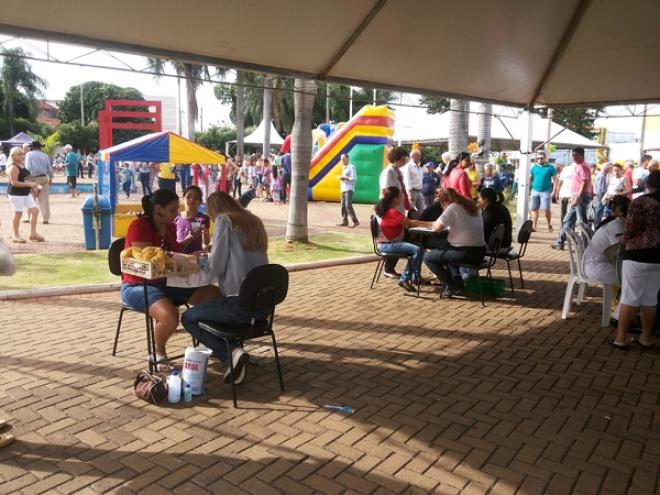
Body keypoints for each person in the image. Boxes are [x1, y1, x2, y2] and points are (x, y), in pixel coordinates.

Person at [120, 190, 219, 368]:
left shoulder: (171, 226)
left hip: (169, 281)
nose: (176, 214)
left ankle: (215, 343)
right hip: (137, 284)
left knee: (215, 295)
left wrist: (191, 246)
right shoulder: (139, 226)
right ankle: (159, 352)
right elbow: (147, 259)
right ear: (158, 209)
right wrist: (177, 258)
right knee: (170, 317)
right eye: (173, 210)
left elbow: (173, 252)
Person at [181, 192, 269, 385]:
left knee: (188, 317)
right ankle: (235, 352)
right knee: (214, 305)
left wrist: (204, 260)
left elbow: (217, 266)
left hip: (240, 305)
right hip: (264, 308)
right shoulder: (253, 221)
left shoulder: (224, 220)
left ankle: (232, 353)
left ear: (213, 210)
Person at [609, 170, 660, 350]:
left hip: (637, 255)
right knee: (650, 299)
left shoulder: (641, 202)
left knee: (629, 297)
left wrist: (624, 238)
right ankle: (646, 338)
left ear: (648, 184)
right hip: (657, 258)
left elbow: (631, 228)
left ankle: (621, 338)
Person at [418, 188, 486, 298]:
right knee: (445, 249)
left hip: (465, 252)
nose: (443, 209)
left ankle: (451, 284)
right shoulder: (470, 204)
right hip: (480, 250)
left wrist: (416, 223)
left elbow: (437, 227)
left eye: (442, 206)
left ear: (445, 202)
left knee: (428, 257)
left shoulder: (453, 207)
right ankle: (457, 282)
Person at [373, 187, 422, 293]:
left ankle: (415, 277)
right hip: (388, 244)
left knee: (417, 246)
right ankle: (405, 279)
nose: (402, 198)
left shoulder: (383, 210)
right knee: (418, 250)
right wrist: (431, 224)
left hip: (385, 243)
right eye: (400, 196)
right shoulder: (392, 212)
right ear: (395, 198)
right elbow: (411, 223)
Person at [378, 146, 412, 278]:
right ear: (397, 158)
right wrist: (388, 213)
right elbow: (385, 193)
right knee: (394, 239)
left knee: (400, 236)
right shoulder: (389, 172)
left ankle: (390, 267)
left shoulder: (397, 172)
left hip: (399, 210)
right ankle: (388, 268)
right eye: (404, 157)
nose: (405, 159)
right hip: (391, 213)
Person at [583, 195, 629, 286]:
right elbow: (618, 254)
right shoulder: (618, 226)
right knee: (633, 278)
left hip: (594, 264)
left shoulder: (616, 222)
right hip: (597, 267)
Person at [552, 148, 592, 250]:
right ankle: (560, 241)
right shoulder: (578, 166)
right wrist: (574, 196)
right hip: (576, 196)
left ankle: (586, 245)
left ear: (582, 155)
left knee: (581, 221)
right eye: (572, 155)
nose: (573, 157)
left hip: (581, 197)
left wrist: (577, 197)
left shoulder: (583, 167)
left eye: (576, 155)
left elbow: (584, 182)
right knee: (567, 220)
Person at [6, 146, 44, 243]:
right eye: (19, 154)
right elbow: (14, 183)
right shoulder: (13, 167)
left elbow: (25, 178)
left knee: (35, 211)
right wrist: (30, 184)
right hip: (16, 194)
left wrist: (32, 187)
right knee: (18, 214)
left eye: (22, 154)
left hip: (25, 193)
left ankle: (33, 234)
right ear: (13, 156)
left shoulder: (21, 164)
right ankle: (15, 235)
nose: (22, 155)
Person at [175, 185, 211, 254]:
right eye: (188, 197)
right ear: (183, 199)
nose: (191, 200)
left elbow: (206, 243)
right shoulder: (176, 217)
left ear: (200, 202)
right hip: (178, 255)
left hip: (194, 257)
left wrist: (205, 233)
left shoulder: (202, 219)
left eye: (196, 198)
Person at [25, 141, 54, 224]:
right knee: (44, 199)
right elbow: (49, 168)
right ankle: (45, 218)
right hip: (44, 178)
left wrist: (26, 179)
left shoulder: (29, 154)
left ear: (32, 147)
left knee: (30, 198)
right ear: (40, 147)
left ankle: (28, 217)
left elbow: (28, 167)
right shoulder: (45, 155)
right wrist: (51, 178)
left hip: (33, 179)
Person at [529, 151, 558, 232]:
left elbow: (556, 180)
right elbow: (530, 178)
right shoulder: (534, 168)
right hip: (535, 191)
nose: (539, 160)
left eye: (541, 158)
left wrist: (554, 191)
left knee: (546, 209)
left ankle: (549, 224)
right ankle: (534, 226)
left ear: (545, 158)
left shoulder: (550, 168)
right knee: (534, 209)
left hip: (545, 191)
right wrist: (530, 187)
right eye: (538, 158)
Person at [337, 154, 359, 227]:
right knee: (343, 206)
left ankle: (355, 221)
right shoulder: (344, 167)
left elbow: (354, 178)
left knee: (348, 205)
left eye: (343, 158)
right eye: (341, 159)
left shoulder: (351, 167)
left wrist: (344, 178)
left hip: (349, 188)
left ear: (348, 159)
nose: (342, 160)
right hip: (343, 188)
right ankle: (345, 221)